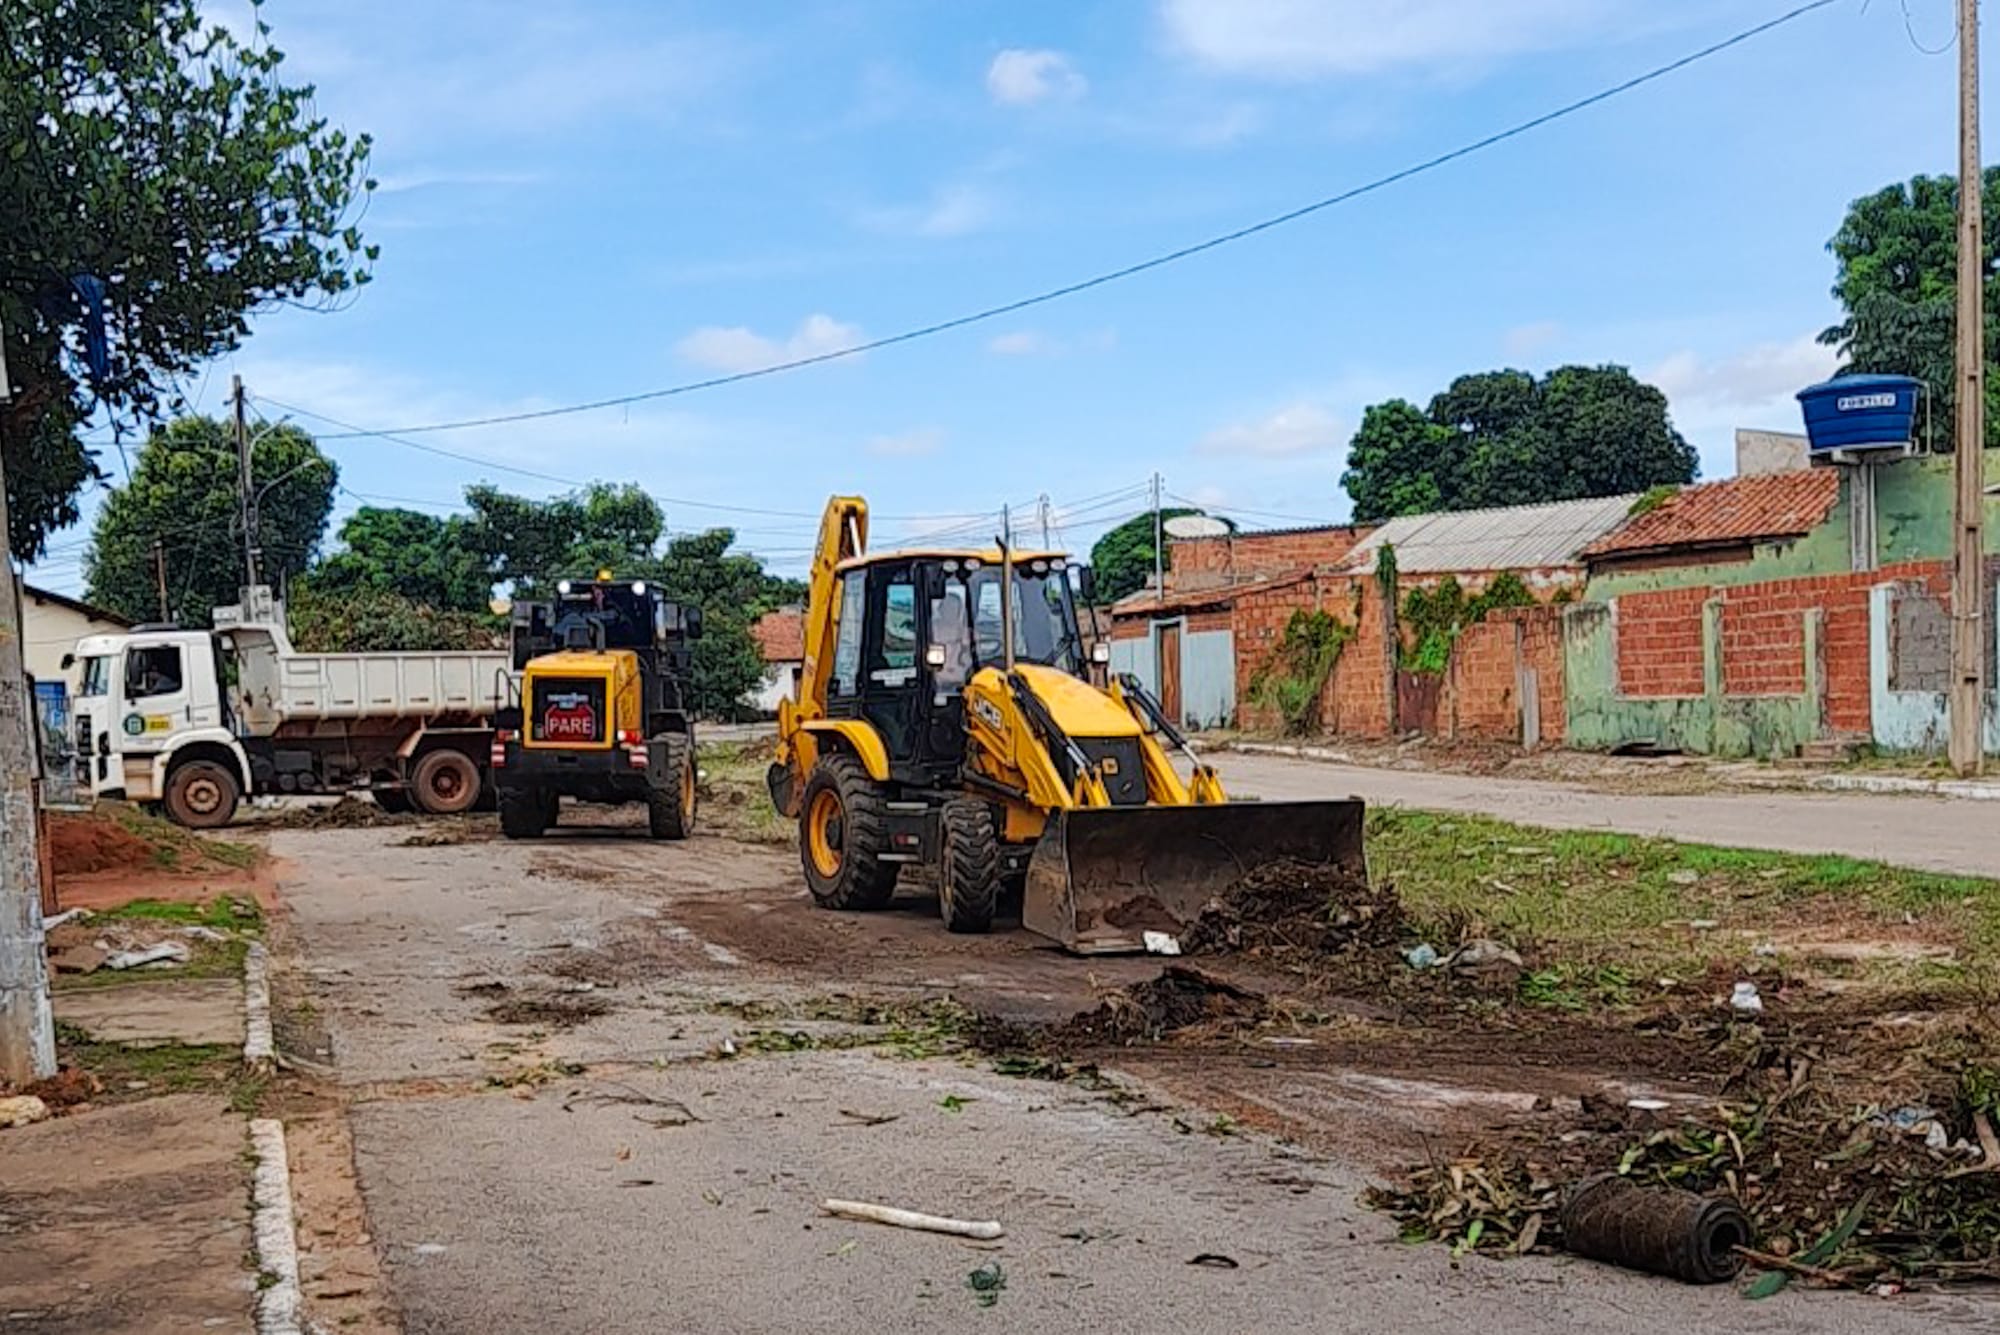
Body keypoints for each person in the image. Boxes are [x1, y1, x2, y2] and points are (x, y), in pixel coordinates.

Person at [930, 593, 973, 688]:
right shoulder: (931, 629)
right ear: (941, 610)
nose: (951, 612)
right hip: (935, 678)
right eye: (948, 608)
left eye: (954, 609)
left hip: (962, 679)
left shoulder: (965, 631)